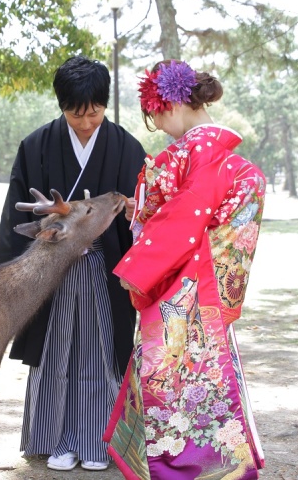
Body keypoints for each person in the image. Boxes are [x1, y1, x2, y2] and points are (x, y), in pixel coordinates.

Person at [103, 59, 266, 479]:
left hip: (182, 289)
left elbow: (181, 218)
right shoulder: (221, 157)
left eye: (155, 117)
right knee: (202, 385)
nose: (157, 126)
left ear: (170, 105)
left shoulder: (196, 152)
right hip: (202, 287)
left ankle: (192, 472)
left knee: (175, 390)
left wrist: (136, 267)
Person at [0, 55, 147, 472]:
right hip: (51, 268)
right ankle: (54, 438)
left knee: (100, 352)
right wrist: (0, 282)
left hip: (104, 267)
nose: (86, 123)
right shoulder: (36, 146)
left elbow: (147, 213)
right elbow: (15, 217)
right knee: (55, 352)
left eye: (94, 112)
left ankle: (99, 440)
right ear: (61, 105)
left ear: (105, 105)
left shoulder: (127, 147)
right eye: (76, 114)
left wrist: (133, 211)